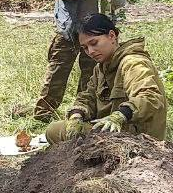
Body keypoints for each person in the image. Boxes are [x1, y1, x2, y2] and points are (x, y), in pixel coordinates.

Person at [33, 0, 133, 123]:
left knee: (92, 76)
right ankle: (42, 116)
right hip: (70, 28)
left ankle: (81, 115)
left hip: (98, 32)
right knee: (57, 73)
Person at [45, 13, 166, 143]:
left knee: (55, 130)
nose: (90, 51)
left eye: (94, 43)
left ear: (112, 36)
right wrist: (76, 115)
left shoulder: (132, 62)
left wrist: (121, 115)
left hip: (137, 137)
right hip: (110, 132)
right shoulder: (101, 67)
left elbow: (151, 97)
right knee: (56, 131)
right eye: (85, 48)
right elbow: (87, 97)